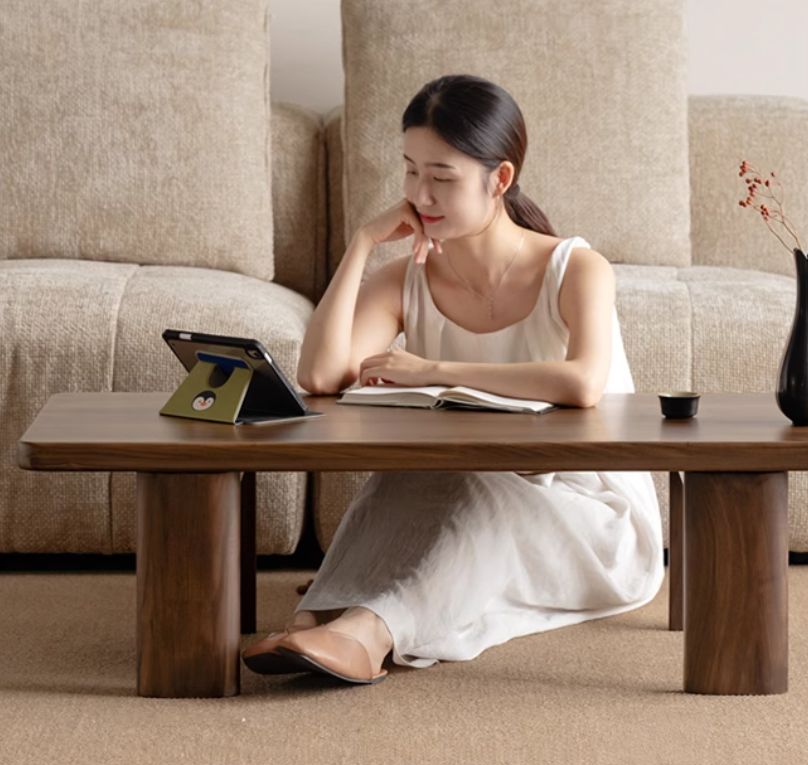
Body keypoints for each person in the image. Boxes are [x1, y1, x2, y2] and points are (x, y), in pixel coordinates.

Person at [241, 74, 664, 685]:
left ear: (500, 180)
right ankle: (314, 622)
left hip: (591, 520)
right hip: (481, 485)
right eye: (410, 171)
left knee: (480, 491)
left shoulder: (576, 268)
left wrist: (432, 371)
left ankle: (369, 634)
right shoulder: (407, 276)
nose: (420, 194)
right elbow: (319, 374)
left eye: (443, 177)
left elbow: (581, 384)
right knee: (402, 481)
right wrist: (360, 243)